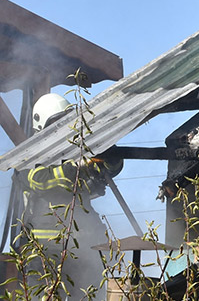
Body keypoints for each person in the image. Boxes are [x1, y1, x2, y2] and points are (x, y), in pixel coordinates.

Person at [20, 93, 122, 294]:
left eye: (66, 121)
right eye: (56, 122)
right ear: (42, 126)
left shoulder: (76, 147)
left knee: (90, 295)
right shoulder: (29, 155)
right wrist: (77, 166)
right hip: (45, 249)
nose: (63, 127)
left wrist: (109, 155)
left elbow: (108, 169)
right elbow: (38, 180)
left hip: (84, 245)